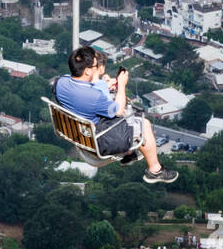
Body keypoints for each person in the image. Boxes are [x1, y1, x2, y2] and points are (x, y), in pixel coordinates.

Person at [54, 46, 178, 184]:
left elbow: (83, 90)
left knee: (128, 118)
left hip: (81, 133)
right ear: (88, 70)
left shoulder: (61, 83)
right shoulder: (94, 97)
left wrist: (102, 85)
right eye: (96, 66)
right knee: (144, 124)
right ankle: (155, 170)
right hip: (98, 139)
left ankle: (129, 154)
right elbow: (118, 110)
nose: (98, 68)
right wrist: (122, 85)